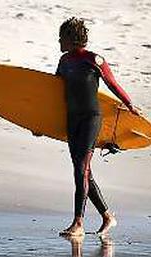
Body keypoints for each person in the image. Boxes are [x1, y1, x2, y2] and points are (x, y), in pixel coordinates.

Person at [53, 17, 138, 237]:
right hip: (73, 120)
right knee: (83, 172)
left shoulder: (94, 60)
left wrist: (129, 105)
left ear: (71, 38)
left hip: (91, 118)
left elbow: (112, 84)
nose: (58, 40)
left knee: (81, 169)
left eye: (61, 36)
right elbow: (53, 94)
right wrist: (39, 124)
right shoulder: (64, 62)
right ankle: (108, 216)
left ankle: (78, 224)